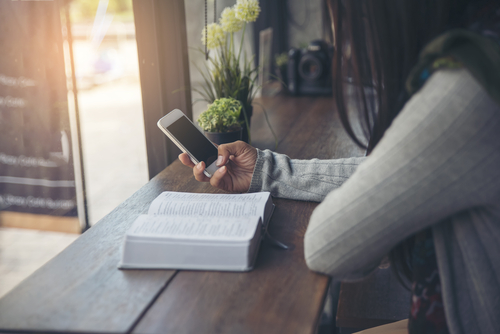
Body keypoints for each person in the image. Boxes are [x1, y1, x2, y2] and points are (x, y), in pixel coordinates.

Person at [180, 1, 500, 333]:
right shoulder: (485, 54)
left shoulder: (467, 89)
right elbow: (390, 171)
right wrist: (266, 170)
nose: (345, 41)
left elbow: (329, 246)